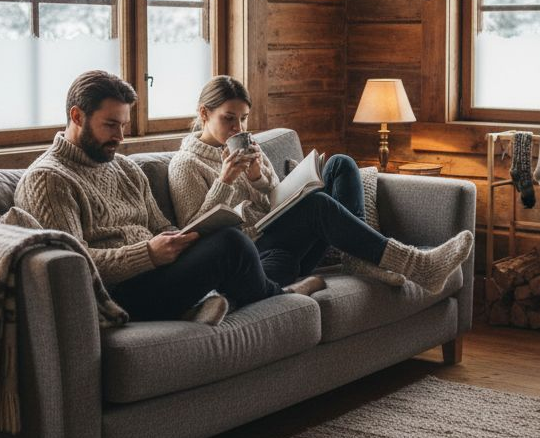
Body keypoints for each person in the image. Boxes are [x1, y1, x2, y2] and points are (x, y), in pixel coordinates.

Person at [14, 70, 321, 326]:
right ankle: (278, 294)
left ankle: (208, 301)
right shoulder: (48, 179)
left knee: (233, 234)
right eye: (110, 124)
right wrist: (147, 253)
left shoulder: (126, 168)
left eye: (123, 125)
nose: (120, 137)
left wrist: (178, 239)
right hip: (118, 293)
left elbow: (161, 224)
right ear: (77, 116)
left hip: (158, 271)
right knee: (232, 243)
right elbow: (74, 263)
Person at [167, 75, 473, 293]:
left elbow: (274, 203)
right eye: (229, 119)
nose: (239, 128)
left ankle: (357, 258)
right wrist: (225, 181)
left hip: (281, 240)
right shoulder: (185, 165)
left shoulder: (245, 149)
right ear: (204, 114)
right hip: (254, 255)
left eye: (244, 119)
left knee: (341, 163)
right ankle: (416, 264)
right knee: (316, 207)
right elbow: (193, 232)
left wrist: (259, 177)